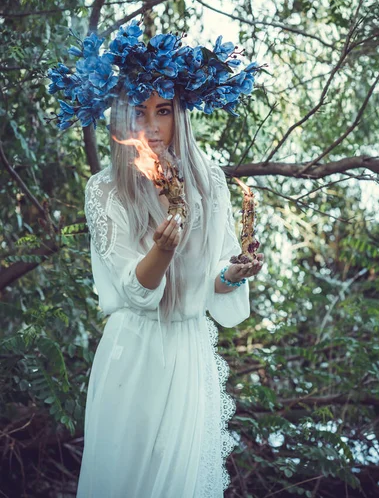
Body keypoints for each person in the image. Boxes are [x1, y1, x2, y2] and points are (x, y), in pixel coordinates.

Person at [75, 87, 264, 497]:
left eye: (163, 111)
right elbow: (134, 290)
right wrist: (161, 251)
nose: (152, 125)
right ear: (122, 120)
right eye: (139, 113)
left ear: (180, 115)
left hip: (189, 352)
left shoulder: (209, 180)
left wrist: (234, 272)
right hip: (135, 352)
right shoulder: (106, 189)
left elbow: (211, 277)